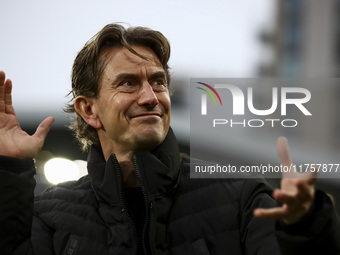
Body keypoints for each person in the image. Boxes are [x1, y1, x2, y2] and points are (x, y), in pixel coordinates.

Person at [0, 23, 339, 255]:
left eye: (158, 82)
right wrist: (8, 169)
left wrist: (304, 224)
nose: (151, 97)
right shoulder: (50, 214)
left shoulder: (241, 197)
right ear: (89, 110)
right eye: (128, 83)